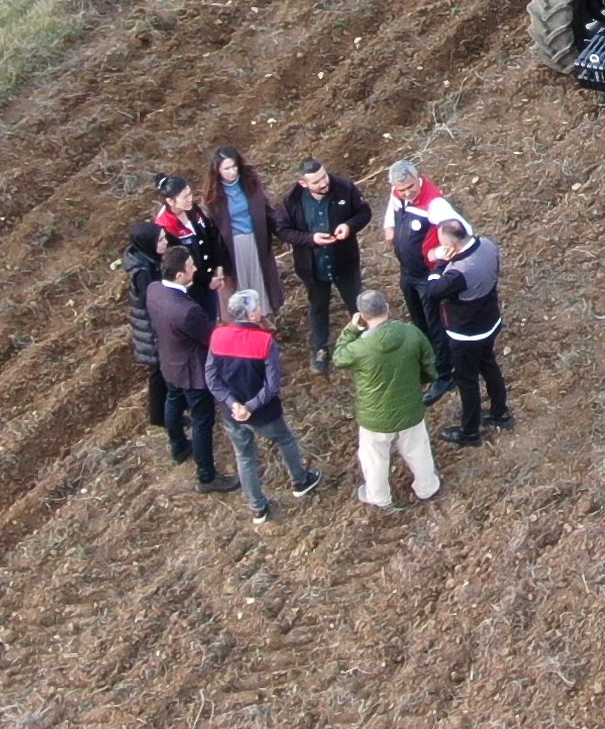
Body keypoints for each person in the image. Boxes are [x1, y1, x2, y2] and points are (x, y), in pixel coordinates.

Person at [206, 289, 324, 521]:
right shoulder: (265, 341)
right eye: (257, 306)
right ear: (251, 315)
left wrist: (234, 404)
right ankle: (300, 480)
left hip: (232, 414)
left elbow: (212, 379)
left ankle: (257, 506)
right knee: (285, 439)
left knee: (244, 456)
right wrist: (250, 406)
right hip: (263, 413)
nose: (260, 309)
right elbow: (272, 386)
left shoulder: (218, 336)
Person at [330, 288, 442, 508]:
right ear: (387, 309)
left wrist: (351, 329)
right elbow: (430, 366)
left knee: (374, 459)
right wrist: (419, 383)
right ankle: (427, 487)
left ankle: (379, 497)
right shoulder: (412, 333)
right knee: (418, 450)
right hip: (410, 410)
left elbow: (338, 357)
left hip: (375, 417)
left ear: (362, 316)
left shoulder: (360, 348)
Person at [420, 221, 511, 446]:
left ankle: (470, 432)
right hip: (489, 321)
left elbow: (432, 292)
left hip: (466, 334)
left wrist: (439, 263)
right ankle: (501, 414)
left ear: (452, 244)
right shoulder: (488, 245)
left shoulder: (458, 272)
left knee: (467, 380)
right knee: (489, 366)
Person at [383, 160, 469, 396]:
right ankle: (429, 362)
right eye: (401, 189)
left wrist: (446, 252)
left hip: (427, 275)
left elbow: (463, 229)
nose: (407, 193)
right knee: (419, 321)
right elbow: (391, 209)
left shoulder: (435, 203)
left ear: (417, 177)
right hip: (407, 272)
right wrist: (389, 227)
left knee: (436, 324)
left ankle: (445, 374)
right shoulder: (397, 194)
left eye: (410, 187)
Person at [280, 161, 373, 368]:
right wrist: (311, 239)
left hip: (345, 262)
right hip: (312, 267)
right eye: (316, 181)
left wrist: (349, 226)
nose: (324, 183)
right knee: (318, 307)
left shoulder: (344, 188)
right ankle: (321, 348)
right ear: (303, 184)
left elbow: (364, 213)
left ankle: (368, 343)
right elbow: (283, 230)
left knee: (356, 303)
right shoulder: (292, 200)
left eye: (324, 177)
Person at [147, 246, 226, 488]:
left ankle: (179, 446)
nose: (194, 269)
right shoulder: (187, 310)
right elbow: (210, 338)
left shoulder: (154, 289)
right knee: (203, 420)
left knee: (173, 401)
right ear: (179, 275)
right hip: (193, 370)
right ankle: (206, 476)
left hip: (169, 362)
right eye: (190, 266)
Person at [207, 148, 284, 321]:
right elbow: (215, 230)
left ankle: (262, 318)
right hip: (234, 246)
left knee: (260, 282)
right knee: (241, 285)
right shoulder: (214, 195)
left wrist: (283, 232)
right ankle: (245, 322)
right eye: (226, 169)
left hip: (256, 241)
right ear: (217, 171)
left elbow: (267, 211)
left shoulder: (250, 182)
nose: (232, 172)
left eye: (234, 167)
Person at [117, 219, 169, 433]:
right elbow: (153, 302)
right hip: (152, 332)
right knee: (159, 374)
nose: (166, 243)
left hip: (151, 328)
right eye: (162, 240)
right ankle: (159, 416)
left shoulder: (147, 260)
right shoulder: (144, 272)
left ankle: (164, 413)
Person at [151, 174, 223, 304]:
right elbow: (179, 261)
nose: (190, 199)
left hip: (210, 276)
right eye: (185, 197)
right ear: (170, 201)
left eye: (190, 194)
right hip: (192, 287)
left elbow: (210, 233)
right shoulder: (166, 226)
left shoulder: (191, 208)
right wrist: (206, 281)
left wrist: (219, 265)